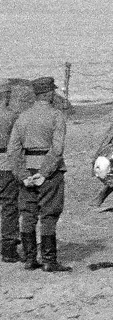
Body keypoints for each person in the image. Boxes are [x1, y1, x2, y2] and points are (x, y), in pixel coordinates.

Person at [7, 76, 69, 272]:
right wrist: (44, 172)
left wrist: (23, 174)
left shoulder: (22, 117)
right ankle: (49, 261)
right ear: (49, 94)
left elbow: (13, 150)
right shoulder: (56, 115)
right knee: (49, 215)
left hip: (27, 169)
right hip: (49, 171)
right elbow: (57, 149)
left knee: (28, 215)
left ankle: (29, 258)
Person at [0, 82, 21, 264]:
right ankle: (8, 248)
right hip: (5, 163)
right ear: (6, 96)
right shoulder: (12, 116)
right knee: (9, 206)